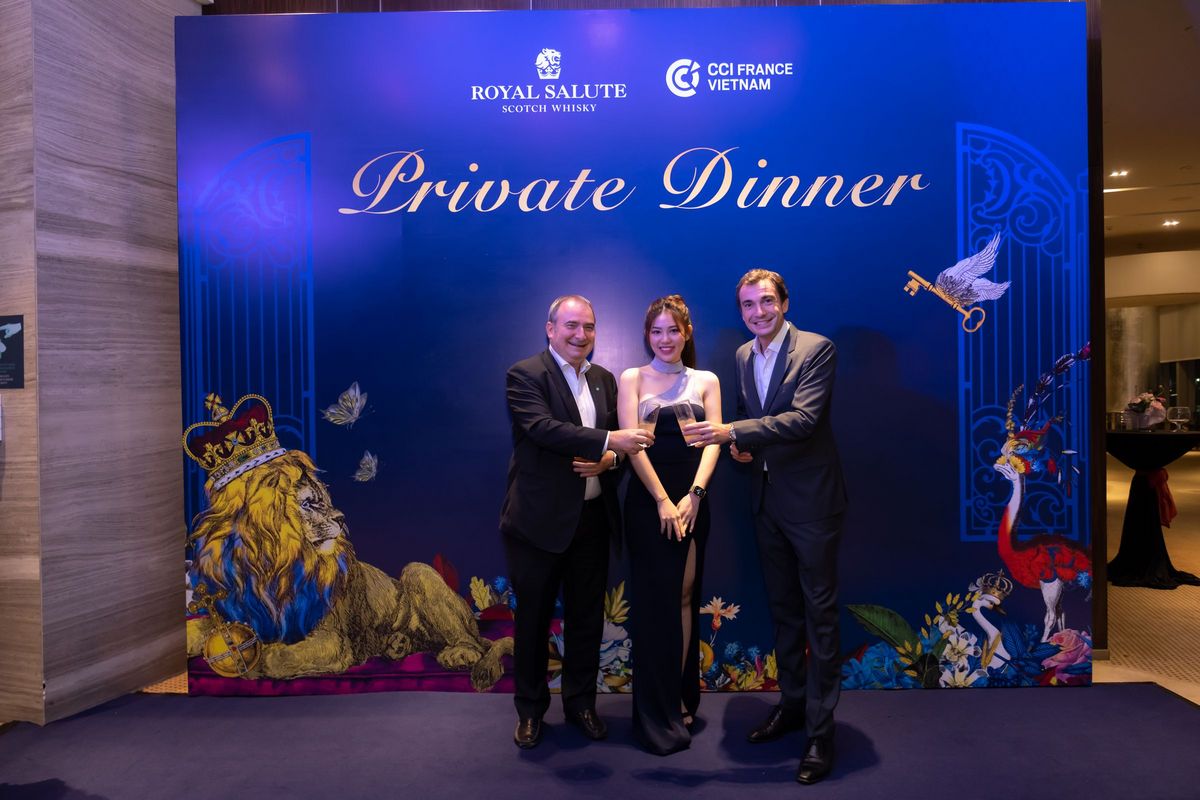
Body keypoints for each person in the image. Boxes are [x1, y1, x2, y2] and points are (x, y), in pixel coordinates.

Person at [684, 270, 847, 785]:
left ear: (785, 302)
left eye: (767, 301)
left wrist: (731, 431)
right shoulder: (741, 356)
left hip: (812, 504)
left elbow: (803, 419)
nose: (758, 312)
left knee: (820, 617)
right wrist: (741, 446)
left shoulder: (817, 349)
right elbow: (750, 417)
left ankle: (820, 733)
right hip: (765, 502)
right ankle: (793, 706)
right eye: (749, 305)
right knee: (783, 612)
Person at [499, 294, 653, 749]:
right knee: (533, 621)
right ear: (550, 329)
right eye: (571, 325)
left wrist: (609, 459)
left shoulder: (604, 379)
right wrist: (610, 441)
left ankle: (581, 705)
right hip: (538, 524)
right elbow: (542, 429)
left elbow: (616, 454)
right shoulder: (525, 375)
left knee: (587, 618)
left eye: (588, 326)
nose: (580, 335)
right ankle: (530, 712)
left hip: (592, 521)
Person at [617, 295, 722, 756]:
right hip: (648, 502)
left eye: (673, 330)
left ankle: (679, 697)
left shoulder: (706, 380)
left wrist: (694, 496)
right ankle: (654, 708)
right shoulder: (632, 378)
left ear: (687, 332)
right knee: (653, 604)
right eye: (657, 331)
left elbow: (715, 442)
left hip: (692, 501)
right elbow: (631, 446)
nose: (665, 339)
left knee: (683, 597)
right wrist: (661, 500)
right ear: (647, 335)